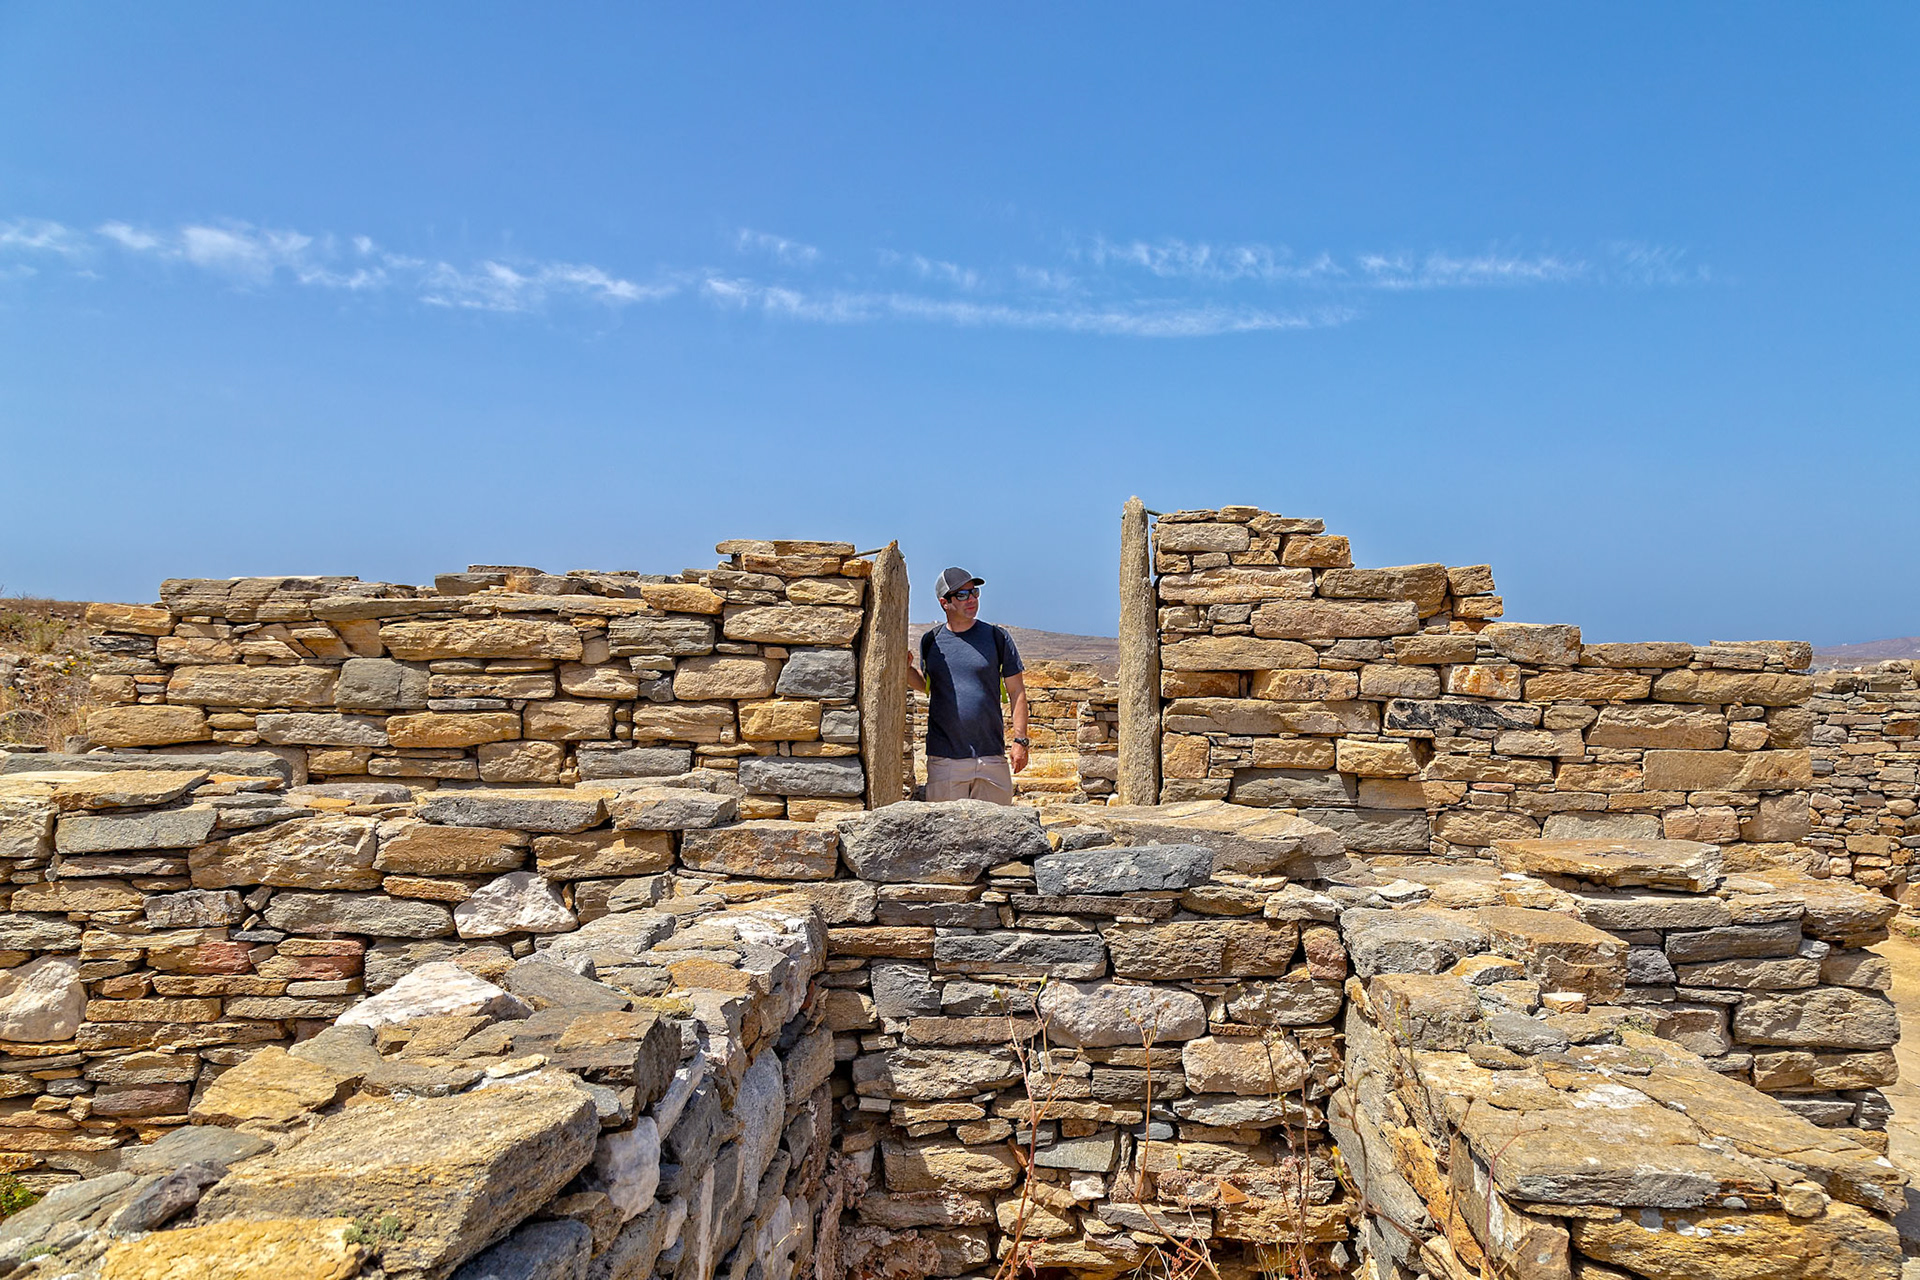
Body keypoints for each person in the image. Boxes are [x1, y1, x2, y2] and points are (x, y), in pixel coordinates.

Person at [907, 566, 1029, 804]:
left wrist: (1020, 740)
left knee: (999, 836)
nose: (971, 599)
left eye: (974, 592)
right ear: (945, 602)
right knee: (945, 837)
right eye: (962, 595)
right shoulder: (931, 641)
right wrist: (905, 670)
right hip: (946, 760)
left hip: (992, 757)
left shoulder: (997, 637)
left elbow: (1017, 692)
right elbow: (929, 687)